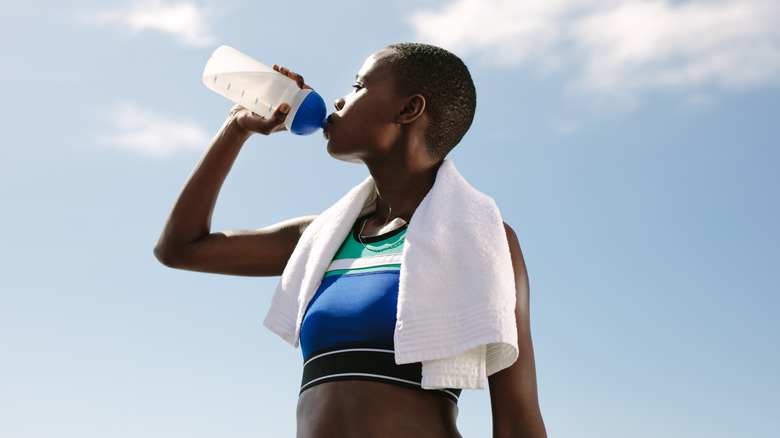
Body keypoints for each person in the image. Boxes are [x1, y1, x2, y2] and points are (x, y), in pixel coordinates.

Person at [154, 43, 546, 438]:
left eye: (358, 86)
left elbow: (517, 420)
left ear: (408, 110)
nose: (339, 100)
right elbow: (179, 248)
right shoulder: (323, 238)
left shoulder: (479, 238)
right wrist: (236, 128)